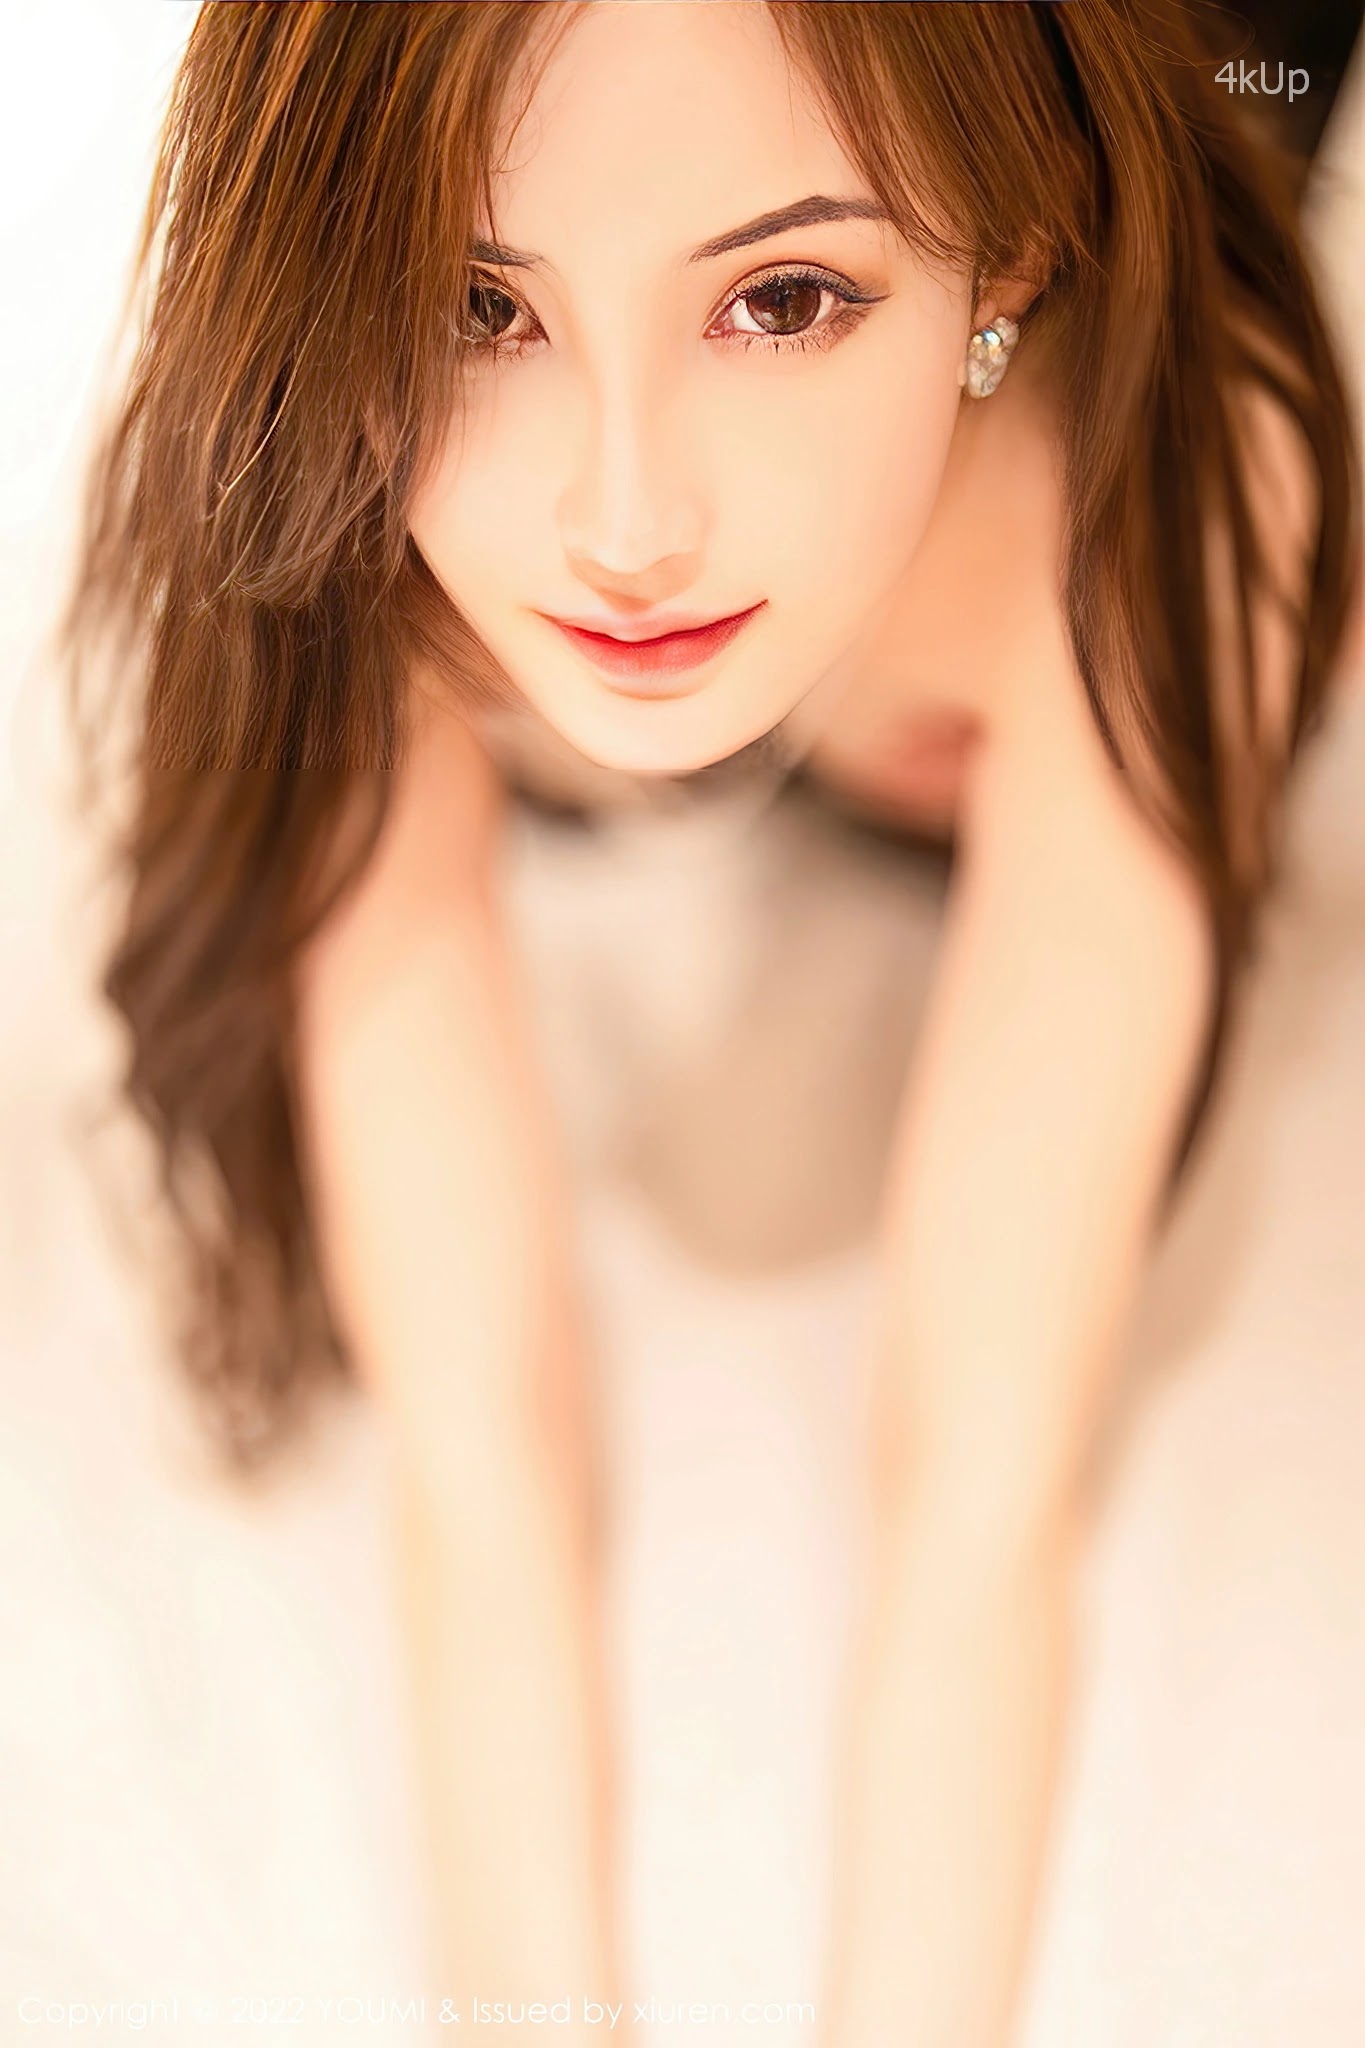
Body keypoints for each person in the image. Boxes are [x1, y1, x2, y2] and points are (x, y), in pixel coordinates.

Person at [55, 3, 1358, 2043]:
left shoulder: (1161, 485)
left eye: (782, 298)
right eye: (477, 307)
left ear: (1007, 262)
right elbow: (476, 1452)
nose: (624, 521)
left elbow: (984, 1481)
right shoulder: (346, 486)